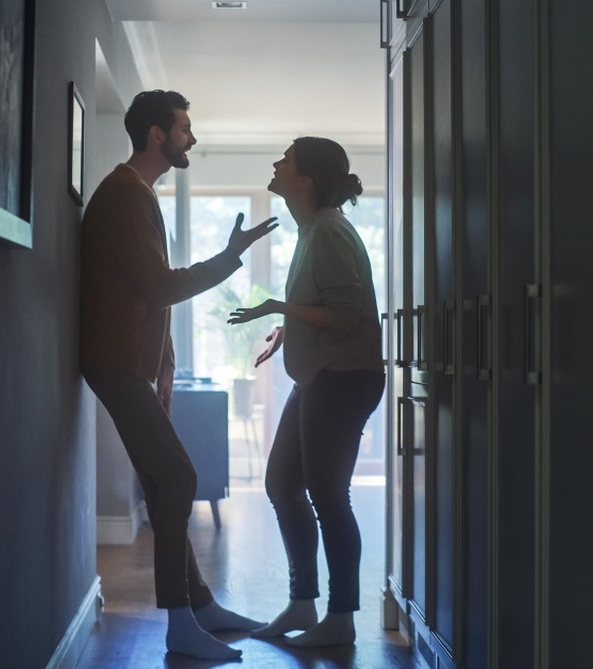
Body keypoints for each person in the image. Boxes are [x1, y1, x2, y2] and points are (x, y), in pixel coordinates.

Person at [79, 89, 277, 660]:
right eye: (185, 128)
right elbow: (161, 287)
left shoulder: (138, 194)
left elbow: (146, 291)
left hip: (126, 364)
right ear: (157, 135)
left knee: (167, 482)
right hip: (113, 363)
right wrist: (230, 255)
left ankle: (202, 607)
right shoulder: (124, 196)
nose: (192, 137)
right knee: (181, 478)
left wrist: (163, 366)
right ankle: (181, 627)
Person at [227, 137, 385, 647]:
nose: (276, 162)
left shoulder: (329, 231)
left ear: (307, 179)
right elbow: (328, 309)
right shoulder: (313, 229)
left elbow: (344, 318)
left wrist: (278, 308)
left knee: (326, 495)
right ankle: (302, 604)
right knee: (282, 484)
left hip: (344, 378)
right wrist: (290, 330)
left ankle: (340, 619)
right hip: (323, 375)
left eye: (286, 159)